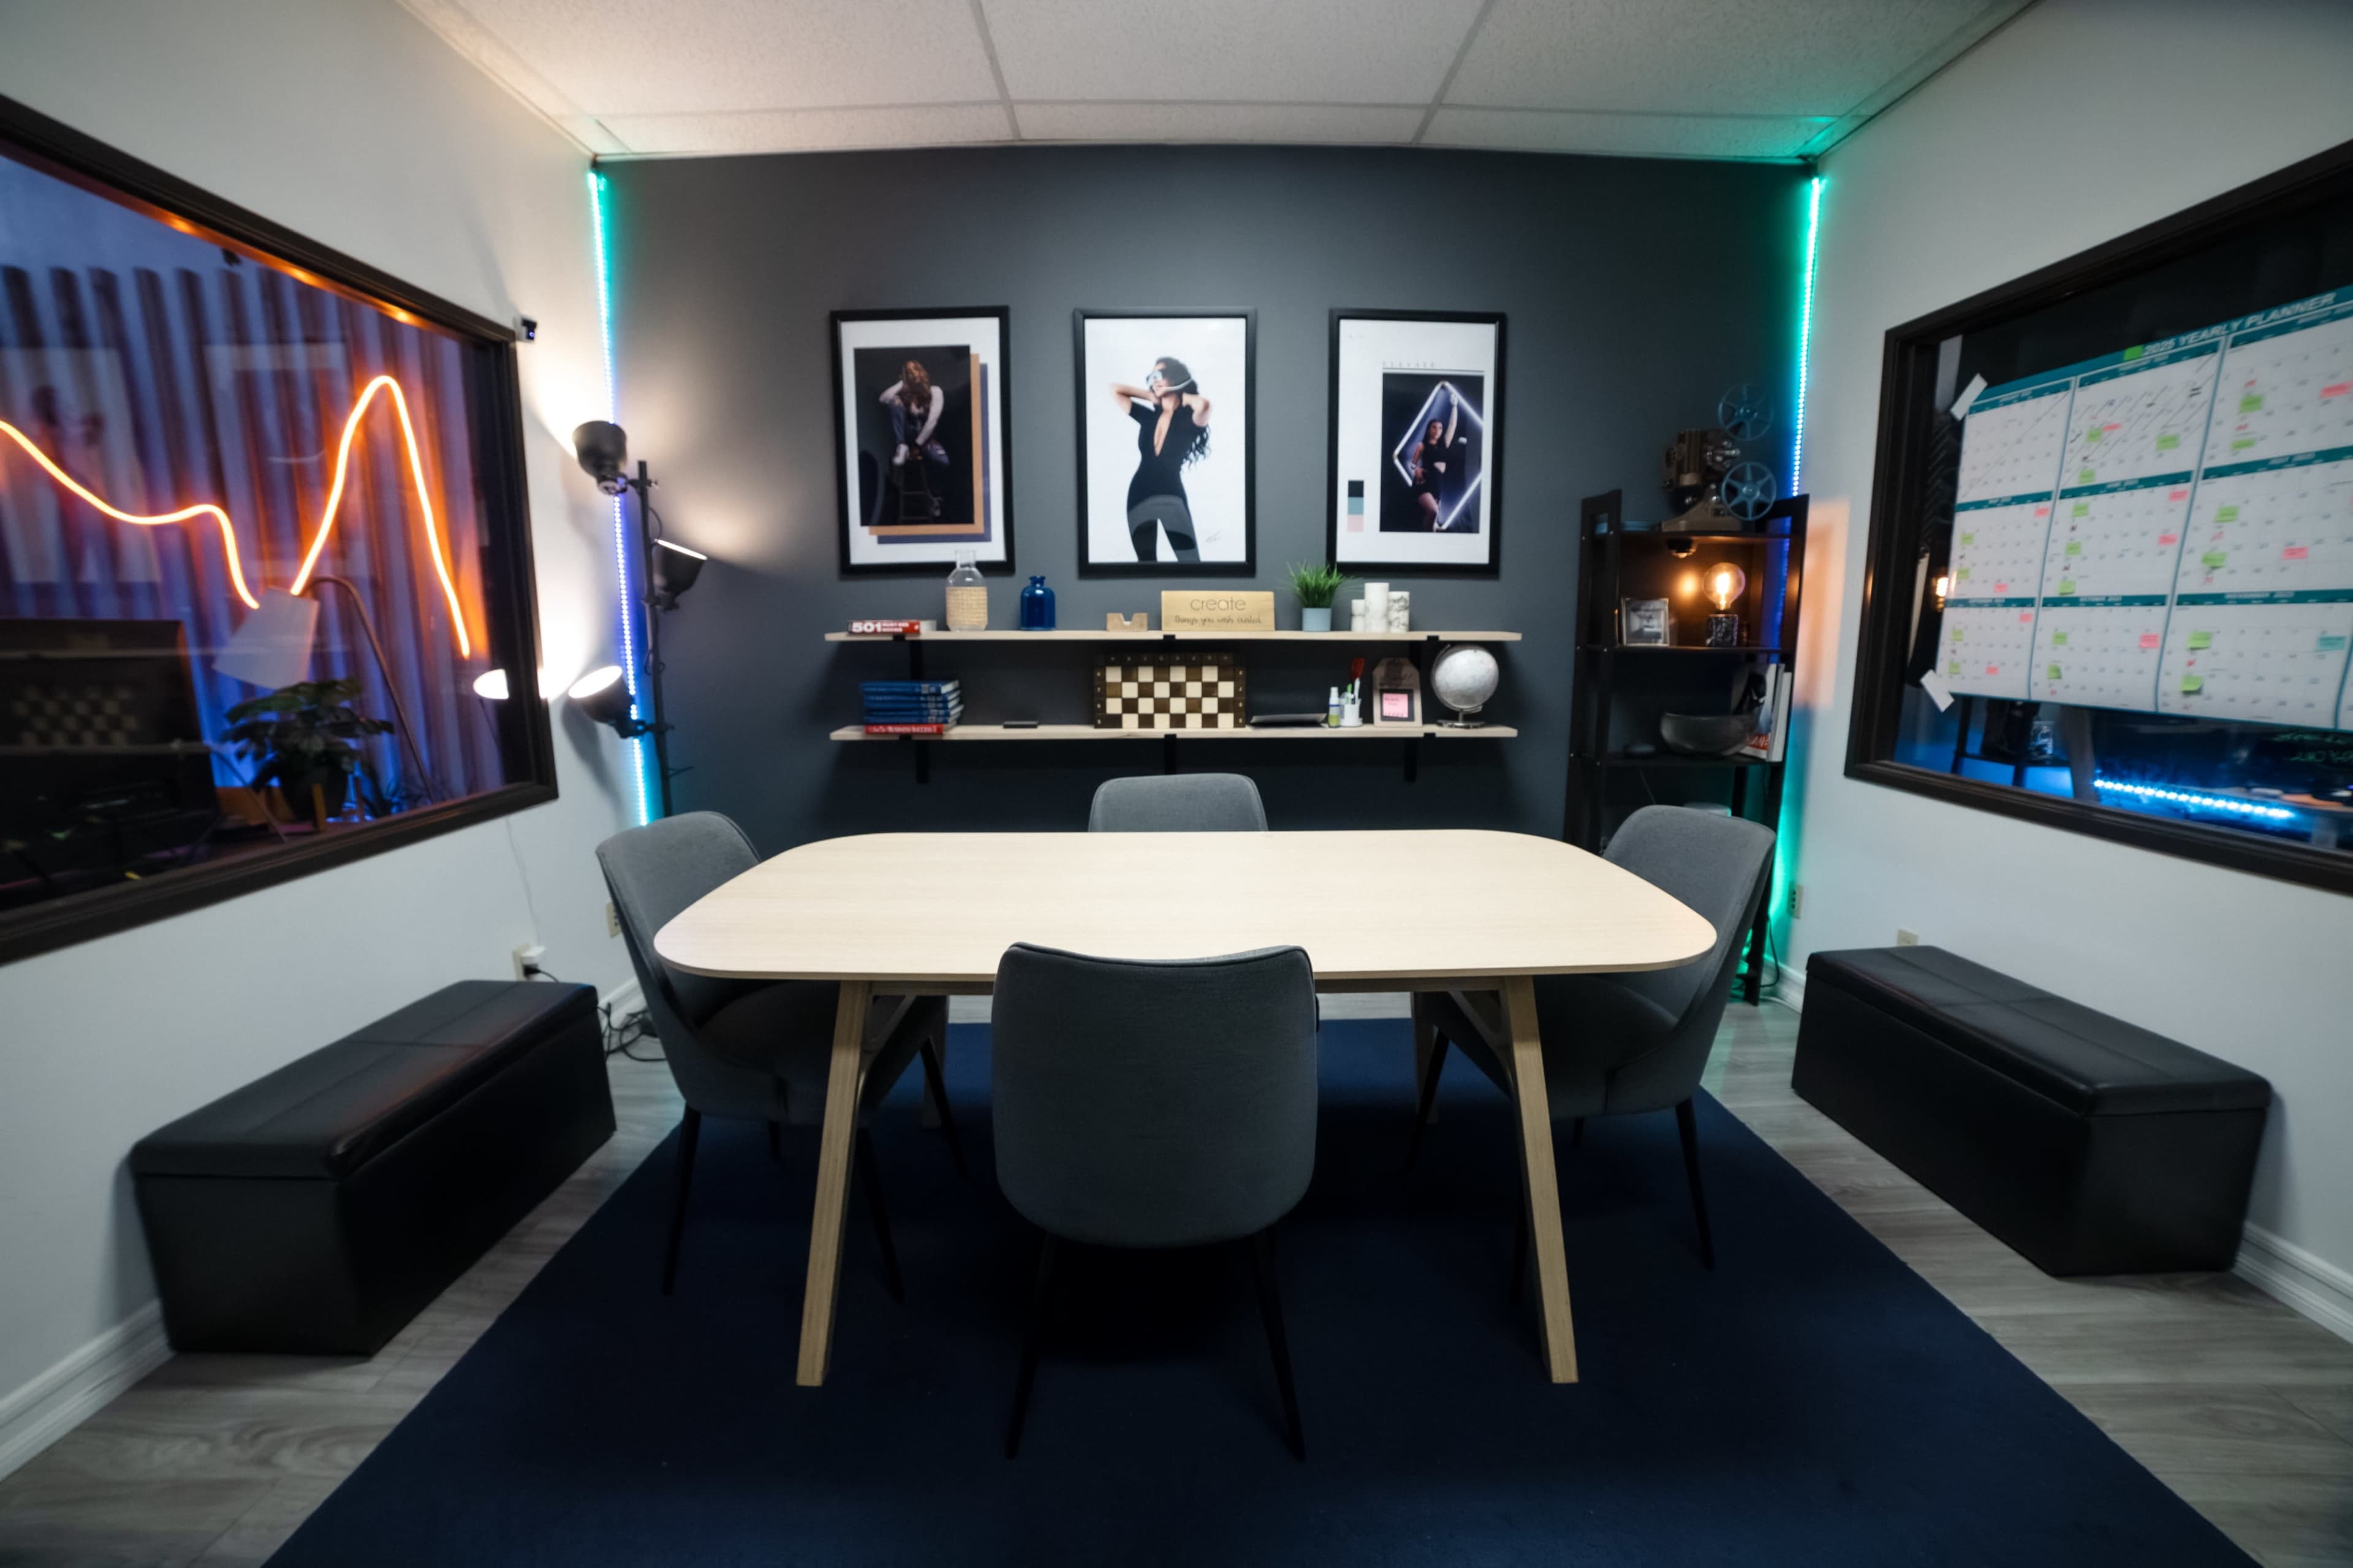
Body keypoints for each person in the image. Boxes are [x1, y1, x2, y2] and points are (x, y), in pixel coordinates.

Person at [1108, 357, 1211, 563]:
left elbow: (1204, 405)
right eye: (1152, 377)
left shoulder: (1190, 420)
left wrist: (1182, 396)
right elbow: (1115, 389)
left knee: (1191, 563)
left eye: (1161, 376)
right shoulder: (1148, 416)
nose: (1155, 380)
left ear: (1176, 378)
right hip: (1139, 497)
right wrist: (1150, 396)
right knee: (1146, 565)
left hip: (1172, 498)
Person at [878, 360, 948, 519]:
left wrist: (917, 445)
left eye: (915, 369)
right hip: (908, 439)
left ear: (922, 372)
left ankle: (934, 497)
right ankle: (901, 445)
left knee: (942, 461)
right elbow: (883, 398)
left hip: (927, 440)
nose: (913, 374)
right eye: (908, 372)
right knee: (894, 400)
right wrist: (902, 383)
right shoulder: (905, 396)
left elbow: (932, 422)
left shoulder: (935, 391)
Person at [1408, 387, 1460, 531]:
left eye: (1440, 428)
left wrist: (1455, 406)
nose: (1437, 430)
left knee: (1432, 524)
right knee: (1433, 512)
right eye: (1434, 427)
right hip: (1424, 483)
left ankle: (1428, 543)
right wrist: (1416, 469)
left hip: (1437, 485)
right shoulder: (1422, 445)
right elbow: (1413, 464)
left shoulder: (1444, 445)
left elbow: (1452, 425)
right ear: (1429, 429)